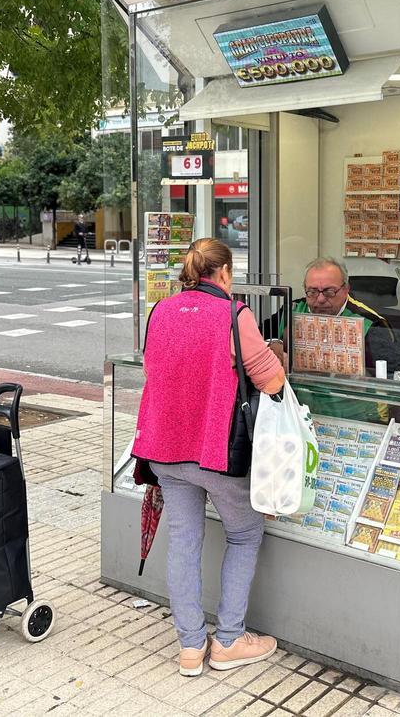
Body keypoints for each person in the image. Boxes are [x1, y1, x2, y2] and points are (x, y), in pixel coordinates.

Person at [133, 238, 286, 677]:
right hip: (215, 452)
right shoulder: (234, 315)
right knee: (244, 534)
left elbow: (152, 370)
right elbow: (272, 382)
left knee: (183, 542)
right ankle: (229, 640)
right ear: (223, 273)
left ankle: (189, 647)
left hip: (164, 450)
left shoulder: (160, 312)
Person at [261, 257, 400, 377]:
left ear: (346, 289)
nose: (321, 299)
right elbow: (257, 337)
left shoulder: (371, 323)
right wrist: (273, 345)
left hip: (352, 406)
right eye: (312, 291)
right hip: (299, 402)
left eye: (329, 291)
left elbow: (390, 378)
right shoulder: (291, 310)